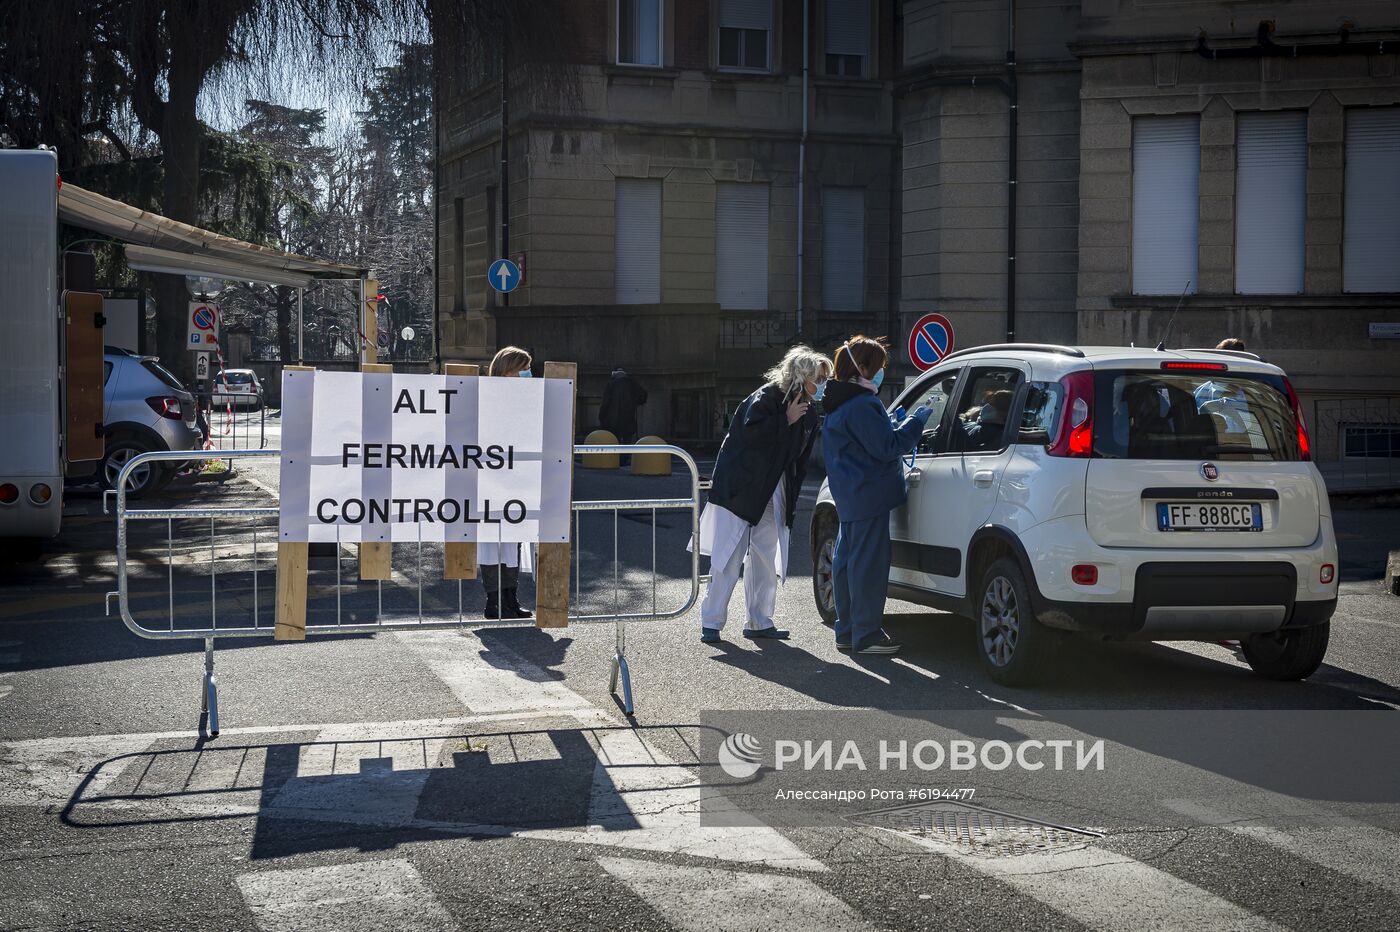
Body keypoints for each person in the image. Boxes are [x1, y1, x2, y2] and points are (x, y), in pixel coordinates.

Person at [695, 345, 833, 643]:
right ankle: (712, 621)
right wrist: (785, 420)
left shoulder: (806, 411)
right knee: (728, 556)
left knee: (764, 557)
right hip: (742, 490)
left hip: (772, 490)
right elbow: (749, 438)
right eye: (819, 377)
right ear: (802, 375)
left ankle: (759, 620)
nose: (822, 384)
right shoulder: (767, 398)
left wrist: (791, 421)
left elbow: (795, 458)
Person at [821, 335, 932, 655]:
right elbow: (888, 447)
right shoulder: (863, 404)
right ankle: (867, 634)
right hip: (869, 495)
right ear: (865, 368)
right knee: (867, 567)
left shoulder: (839, 402)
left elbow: (866, 442)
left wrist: (891, 424)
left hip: (850, 495)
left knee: (846, 563)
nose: (883, 372)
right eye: (881, 367)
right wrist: (914, 422)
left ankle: (847, 631)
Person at [479, 345, 535, 620]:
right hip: (490, 480)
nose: (527, 374)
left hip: (517, 480)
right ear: (507, 370)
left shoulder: (527, 399)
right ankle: (493, 601)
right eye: (522, 369)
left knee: (514, 540)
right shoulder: (486, 397)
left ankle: (510, 598)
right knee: (491, 542)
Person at [598, 367, 648, 444]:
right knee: (627, 443)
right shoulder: (632, 383)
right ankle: (626, 455)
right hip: (628, 418)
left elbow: (605, 403)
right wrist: (635, 402)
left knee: (614, 442)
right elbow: (643, 396)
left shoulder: (611, 384)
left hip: (613, 421)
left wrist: (601, 417)